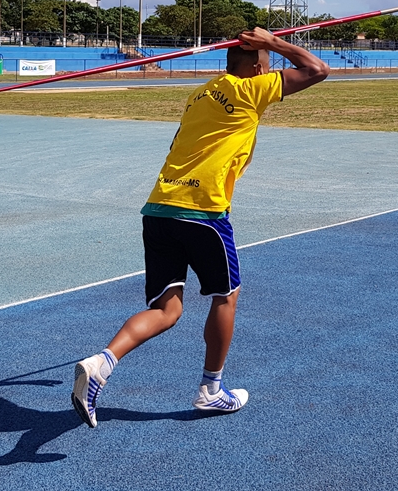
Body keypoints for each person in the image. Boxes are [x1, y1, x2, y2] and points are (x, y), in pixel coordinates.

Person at [71, 27, 330, 428]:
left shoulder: (200, 94)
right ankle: (211, 391)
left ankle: (101, 363)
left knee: (166, 309)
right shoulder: (249, 90)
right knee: (225, 297)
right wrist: (274, 43)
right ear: (257, 66)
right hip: (202, 212)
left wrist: (264, 48)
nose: (270, 69)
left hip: (158, 207)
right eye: (266, 64)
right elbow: (316, 69)